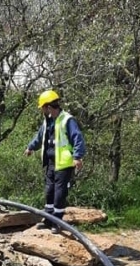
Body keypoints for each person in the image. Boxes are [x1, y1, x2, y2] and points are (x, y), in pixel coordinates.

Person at [24, 90, 86, 234]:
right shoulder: (48, 121)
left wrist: (77, 157)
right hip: (51, 162)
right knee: (49, 191)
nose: (42, 111)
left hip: (63, 164)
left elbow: (77, 138)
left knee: (59, 193)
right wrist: (30, 147)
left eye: (43, 108)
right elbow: (40, 137)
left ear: (48, 107)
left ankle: (57, 222)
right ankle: (48, 219)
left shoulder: (67, 120)